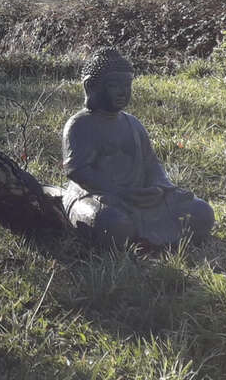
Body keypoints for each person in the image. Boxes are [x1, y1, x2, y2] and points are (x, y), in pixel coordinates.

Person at [61, 47, 214, 246]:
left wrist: (158, 187)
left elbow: (152, 165)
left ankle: (142, 236)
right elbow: (78, 172)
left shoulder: (132, 123)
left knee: (201, 212)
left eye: (127, 85)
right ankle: (134, 236)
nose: (123, 92)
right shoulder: (79, 124)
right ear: (91, 86)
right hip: (96, 194)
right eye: (114, 85)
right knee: (112, 224)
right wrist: (119, 192)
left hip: (139, 195)